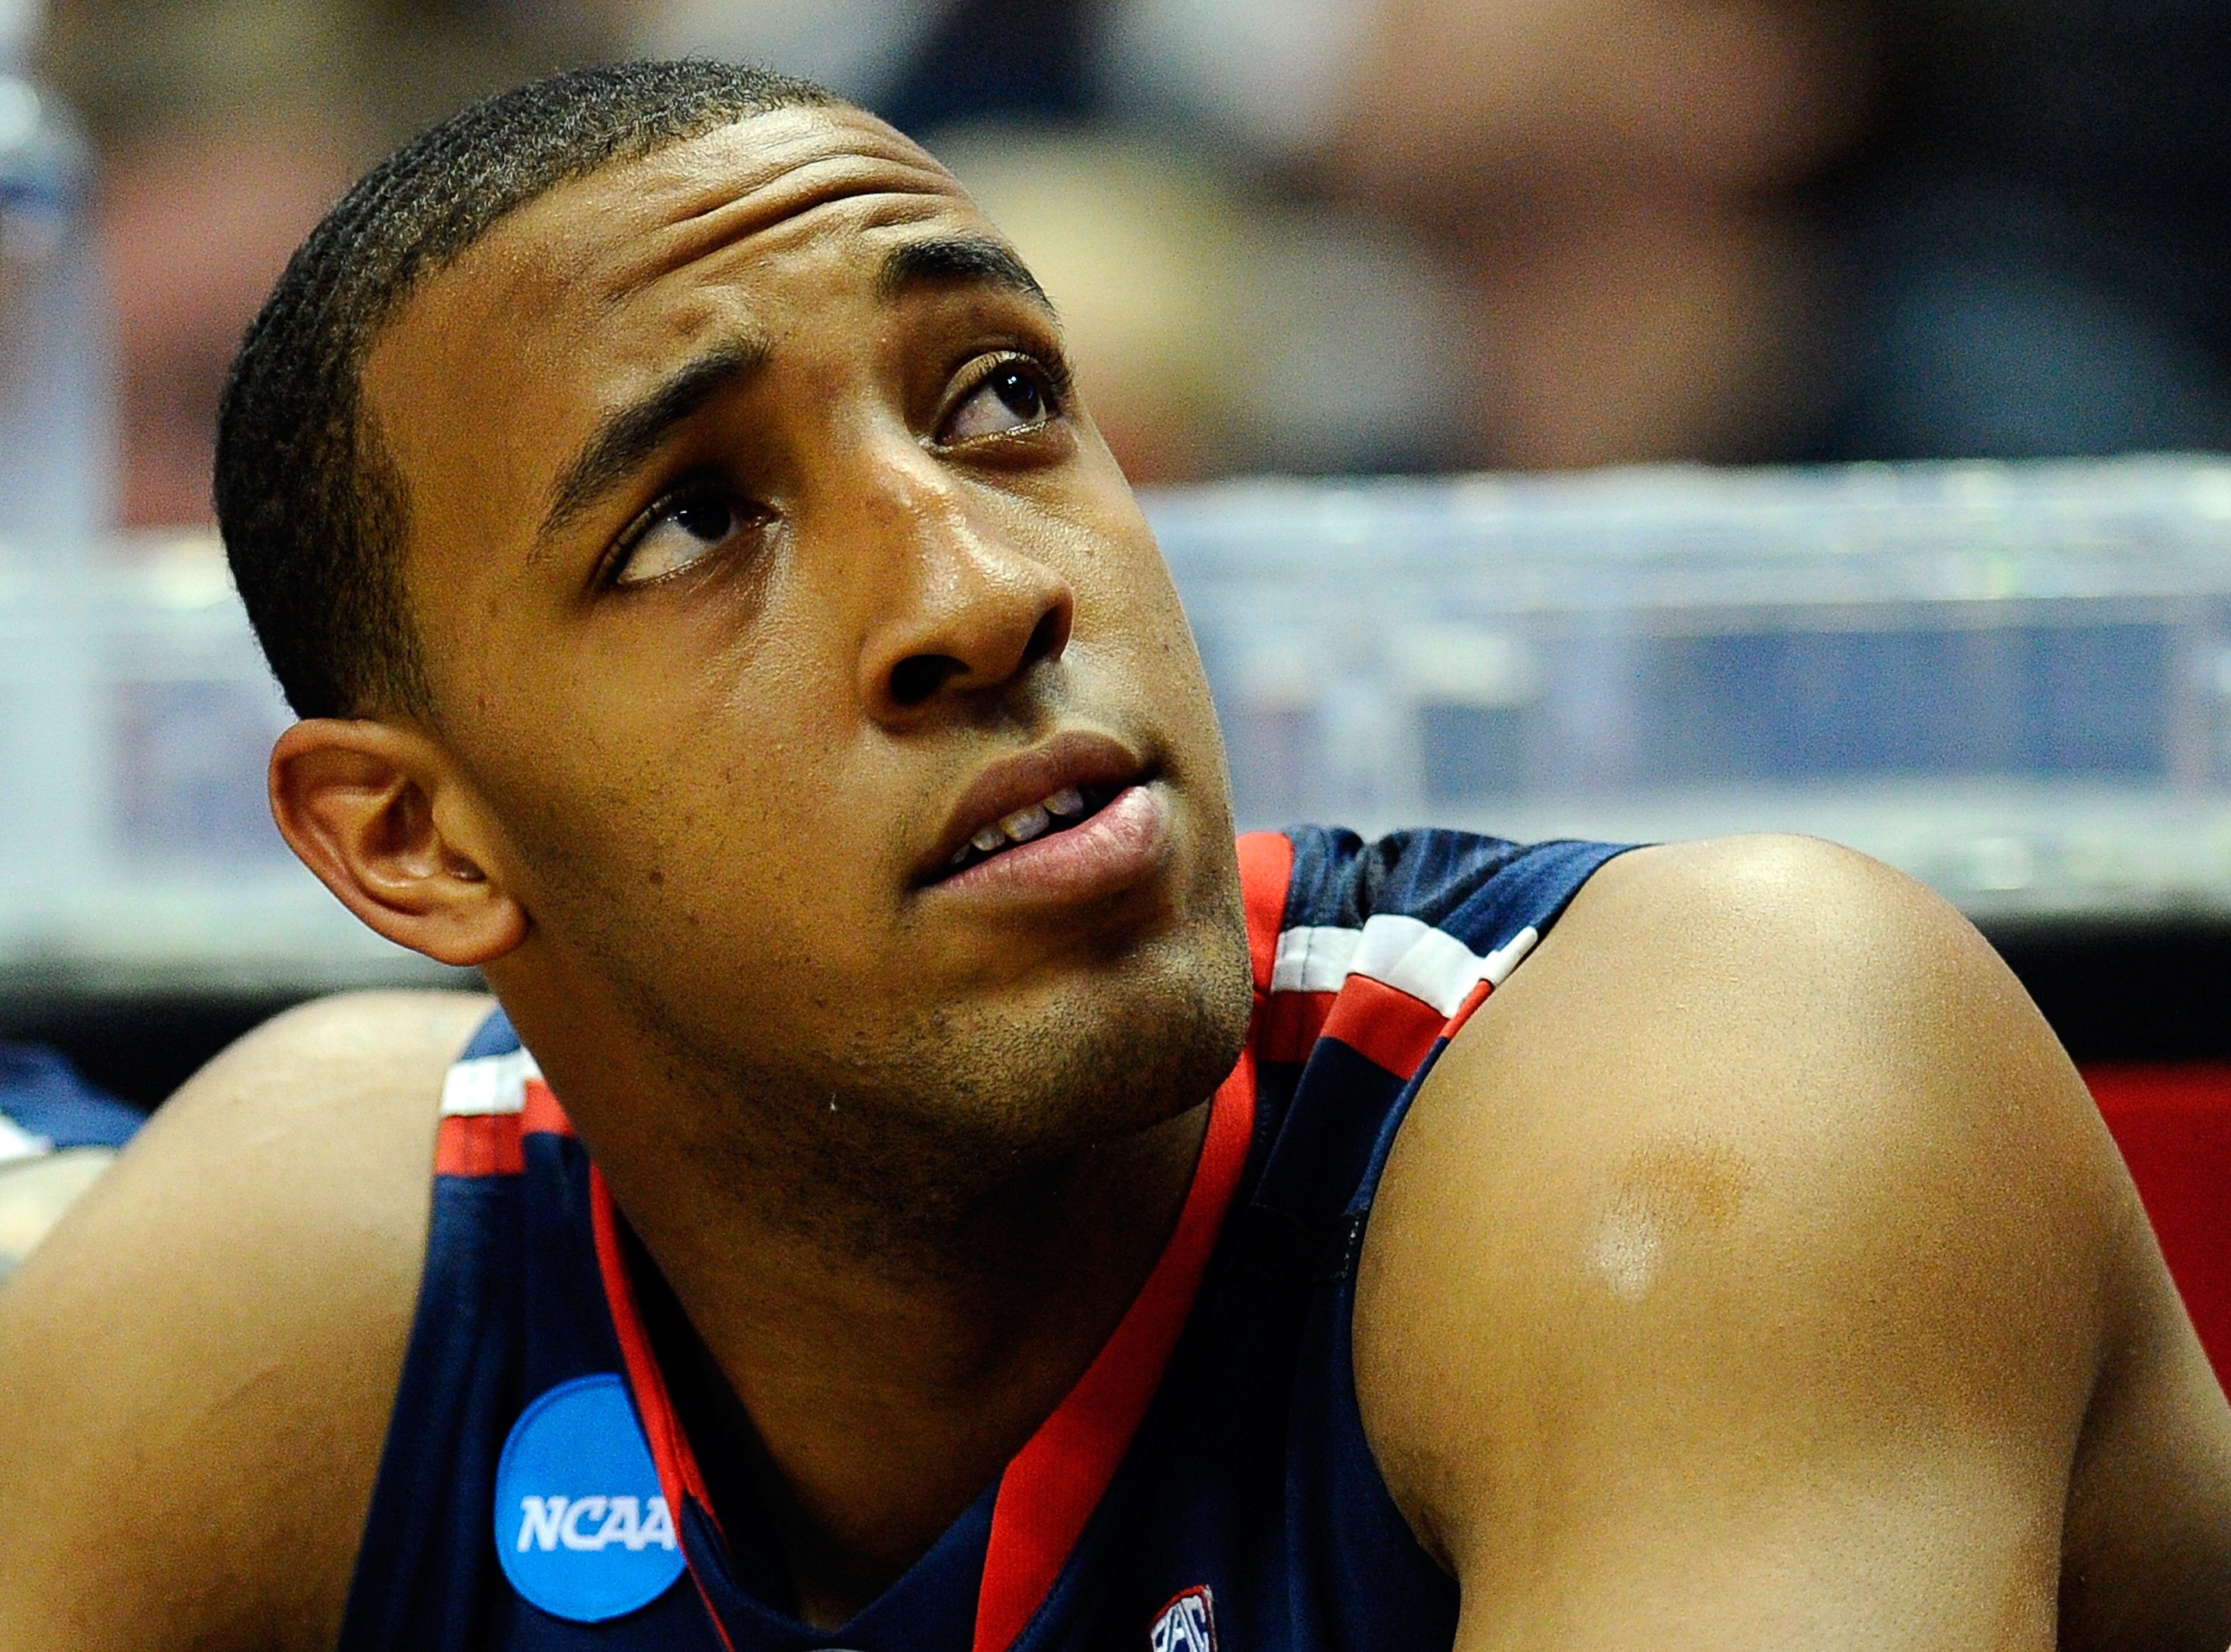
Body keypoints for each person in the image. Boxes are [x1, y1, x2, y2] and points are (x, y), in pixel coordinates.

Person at [0, 60, 2225, 1652]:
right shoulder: (303, 1289)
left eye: (995, 398)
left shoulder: (1725, 1098)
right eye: (693, 522)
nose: (982, 590)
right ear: (417, 843)